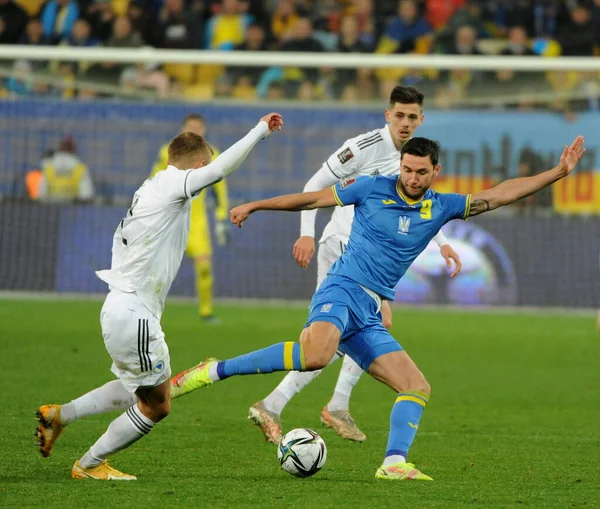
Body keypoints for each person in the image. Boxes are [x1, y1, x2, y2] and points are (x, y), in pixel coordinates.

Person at [171, 135, 585, 481]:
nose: (412, 177)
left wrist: (559, 172)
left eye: (422, 172)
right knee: (315, 357)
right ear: (400, 165)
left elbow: (500, 195)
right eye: (407, 169)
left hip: (369, 309)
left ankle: (392, 463)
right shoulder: (370, 188)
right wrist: (256, 205)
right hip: (342, 287)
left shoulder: (440, 205)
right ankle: (213, 370)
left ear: (434, 172)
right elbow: (312, 199)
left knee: (417, 386)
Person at [34, 113, 283, 480]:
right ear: (197, 165)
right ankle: (88, 465)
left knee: (139, 388)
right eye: (205, 168)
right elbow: (221, 170)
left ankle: (61, 415)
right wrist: (260, 130)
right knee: (158, 405)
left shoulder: (151, 188)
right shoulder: (172, 185)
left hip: (122, 307)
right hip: (133, 312)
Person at [249, 86, 462, 444]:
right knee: (353, 331)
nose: (406, 123)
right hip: (345, 250)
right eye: (399, 115)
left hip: (369, 256)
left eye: (412, 117)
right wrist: (305, 233)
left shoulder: (413, 158)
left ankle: (310, 403)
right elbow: (316, 185)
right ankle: (311, 403)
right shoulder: (363, 147)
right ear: (387, 115)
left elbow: (415, 207)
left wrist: (442, 243)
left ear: (421, 119)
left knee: (346, 335)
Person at [151, 114, 229, 323]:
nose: (195, 131)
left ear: (204, 130)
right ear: (182, 130)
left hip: (196, 223)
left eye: (198, 127)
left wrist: (222, 218)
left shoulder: (213, 155)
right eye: (190, 127)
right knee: (157, 270)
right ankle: (150, 310)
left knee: (204, 267)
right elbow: (154, 181)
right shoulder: (166, 152)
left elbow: (220, 190)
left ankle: (206, 312)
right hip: (169, 221)